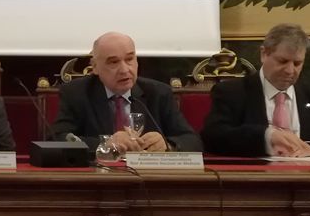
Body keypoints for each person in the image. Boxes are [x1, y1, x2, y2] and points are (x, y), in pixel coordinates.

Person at [201, 23, 310, 157]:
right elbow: (212, 138)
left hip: (306, 175)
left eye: (297, 63)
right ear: (264, 54)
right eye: (283, 61)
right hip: (254, 175)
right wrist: (267, 136)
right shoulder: (232, 93)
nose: (290, 70)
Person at [50, 32, 201, 152]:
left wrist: (168, 145)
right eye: (113, 62)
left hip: (147, 177)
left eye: (129, 59)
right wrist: (105, 143)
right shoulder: (76, 93)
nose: (124, 70)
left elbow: (193, 141)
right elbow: (57, 139)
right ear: (95, 67)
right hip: (99, 176)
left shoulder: (158, 93)